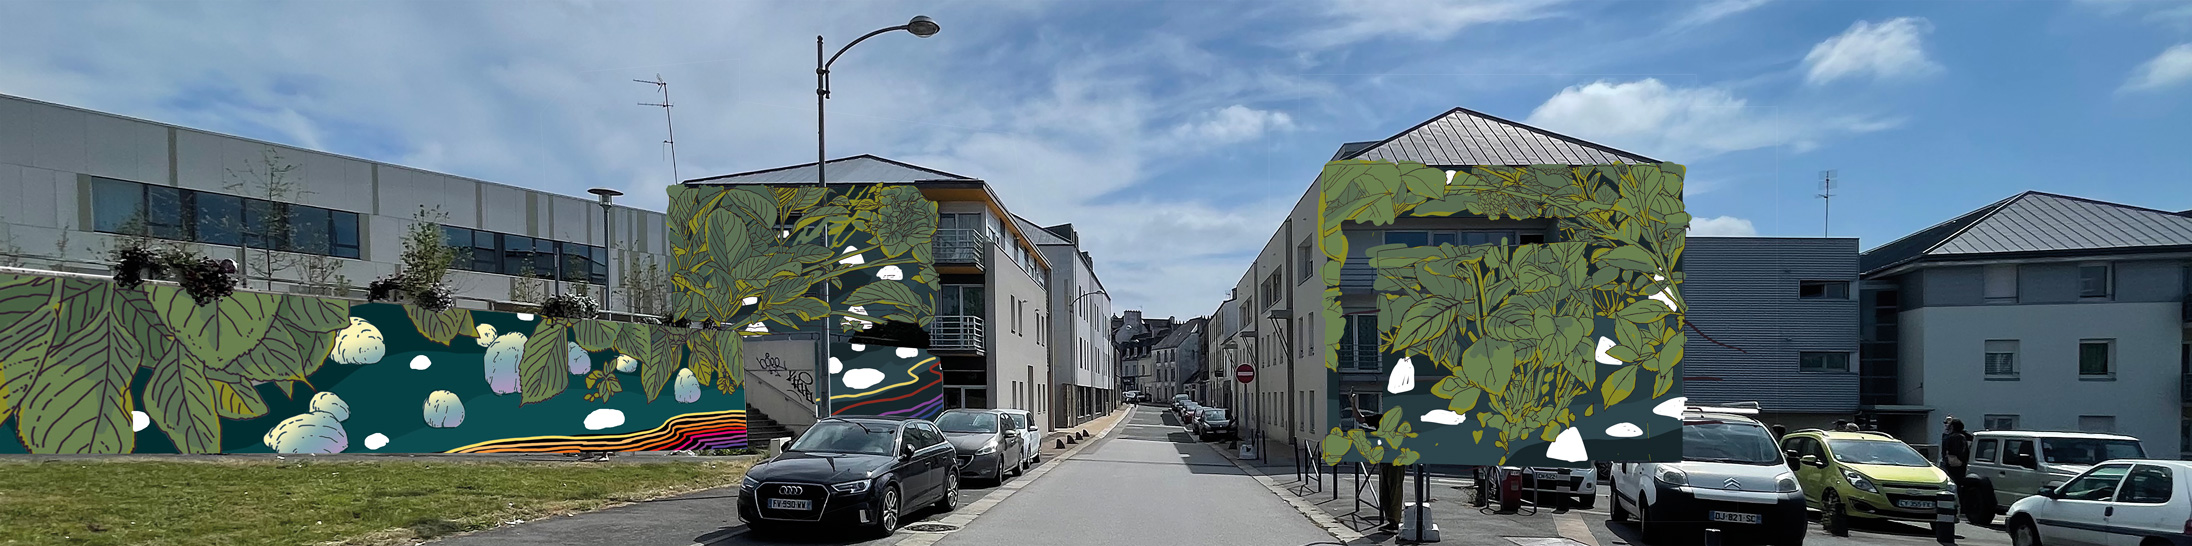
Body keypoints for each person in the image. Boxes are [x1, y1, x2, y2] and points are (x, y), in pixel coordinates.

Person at [1941, 416, 1973, 487]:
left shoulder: (1955, 436)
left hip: (1954, 463)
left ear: (1952, 426)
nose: (1947, 425)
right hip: (1958, 463)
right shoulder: (1958, 436)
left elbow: (1954, 450)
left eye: (1948, 424)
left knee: (1954, 481)